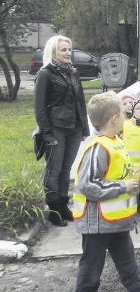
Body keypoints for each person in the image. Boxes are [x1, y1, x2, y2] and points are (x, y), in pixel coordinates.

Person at [70, 91, 140, 292]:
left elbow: (120, 173)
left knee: (128, 262)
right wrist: (123, 186)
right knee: (91, 266)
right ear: (115, 118)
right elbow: (87, 185)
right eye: (124, 113)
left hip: (118, 221)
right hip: (97, 224)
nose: (127, 116)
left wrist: (135, 181)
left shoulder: (116, 141)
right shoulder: (97, 148)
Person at [34, 35, 90, 227]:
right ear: (53, 52)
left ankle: (64, 206)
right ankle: (54, 209)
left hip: (73, 128)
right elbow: (40, 108)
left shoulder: (72, 72)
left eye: (69, 49)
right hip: (56, 129)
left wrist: (84, 128)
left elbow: (80, 102)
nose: (68, 53)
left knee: (66, 169)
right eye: (63, 50)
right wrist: (47, 134)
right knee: (54, 170)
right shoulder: (45, 73)